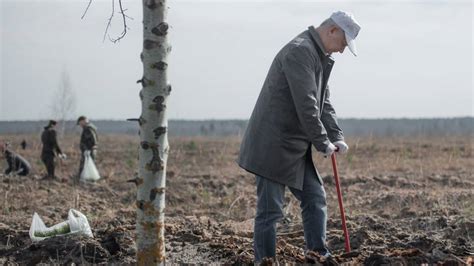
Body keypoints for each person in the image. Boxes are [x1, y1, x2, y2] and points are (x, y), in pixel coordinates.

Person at [238, 11, 360, 263]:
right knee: (271, 211)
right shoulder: (300, 52)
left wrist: (336, 136)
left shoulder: (317, 55)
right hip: (272, 144)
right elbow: (307, 104)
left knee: (315, 198)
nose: (342, 50)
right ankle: (265, 262)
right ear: (332, 31)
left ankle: (318, 256)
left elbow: (323, 101)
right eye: (343, 43)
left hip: (294, 145)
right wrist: (321, 141)